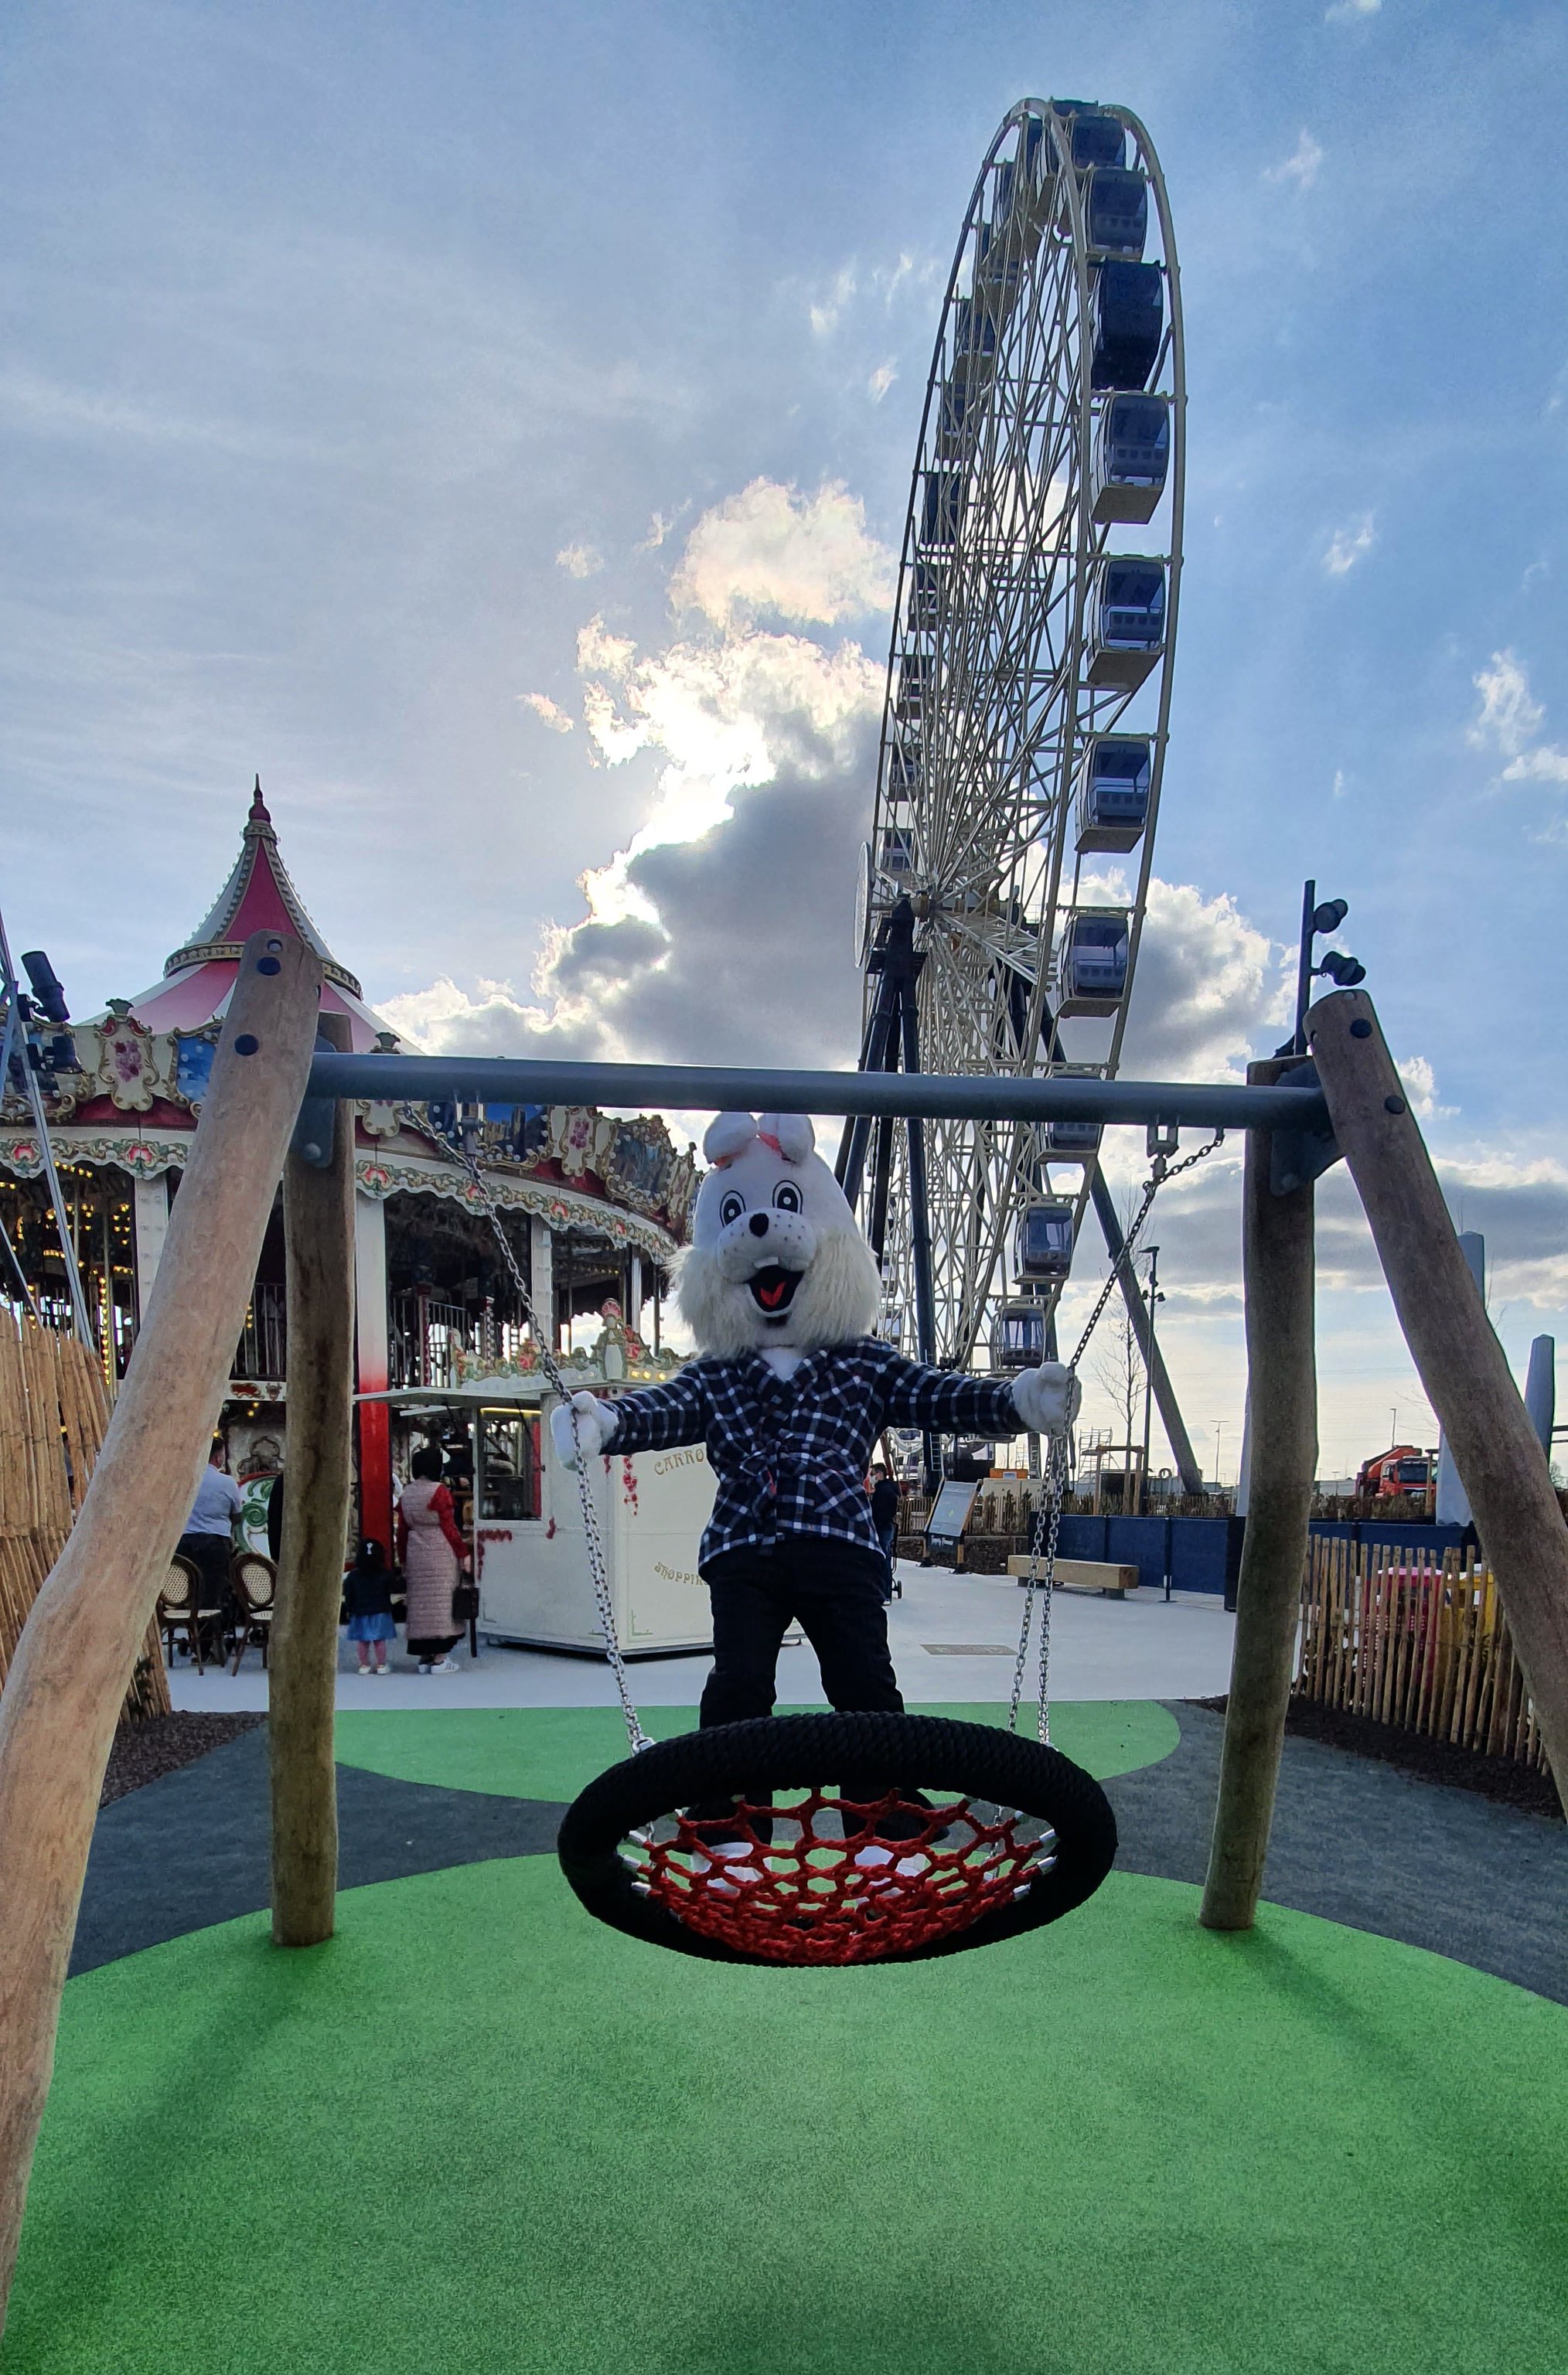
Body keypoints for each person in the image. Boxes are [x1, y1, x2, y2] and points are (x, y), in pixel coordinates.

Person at [397, 1444, 470, 1675]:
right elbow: (449, 1527)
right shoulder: (439, 1491)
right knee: (442, 1603)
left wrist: (403, 1560)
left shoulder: (407, 1493)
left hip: (415, 1550)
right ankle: (440, 1658)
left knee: (420, 1604)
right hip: (440, 1550)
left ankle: (425, 1658)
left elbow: (402, 1532)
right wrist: (463, 1553)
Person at [177, 1439, 241, 1656]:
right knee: (212, 1594)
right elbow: (238, 1514)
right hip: (215, 1542)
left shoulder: (185, 1479)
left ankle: (194, 1635)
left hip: (185, 1542)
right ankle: (204, 1644)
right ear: (218, 1457)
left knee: (191, 1592)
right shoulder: (226, 1482)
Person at [343, 1537, 397, 1675]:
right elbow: (393, 1588)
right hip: (380, 1611)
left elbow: (348, 1594)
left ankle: (364, 1665)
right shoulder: (385, 1575)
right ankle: (381, 1665)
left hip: (360, 1612)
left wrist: (350, 1609)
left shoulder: (353, 1576)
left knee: (363, 1640)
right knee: (379, 1640)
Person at [869, 1464, 903, 1601]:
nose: (871, 1477)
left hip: (880, 1526)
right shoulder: (889, 1489)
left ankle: (884, 1592)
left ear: (879, 1474)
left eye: (872, 1474)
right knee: (884, 1557)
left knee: (883, 1558)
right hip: (885, 1526)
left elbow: (880, 1511)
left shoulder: (882, 1491)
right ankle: (884, 1591)